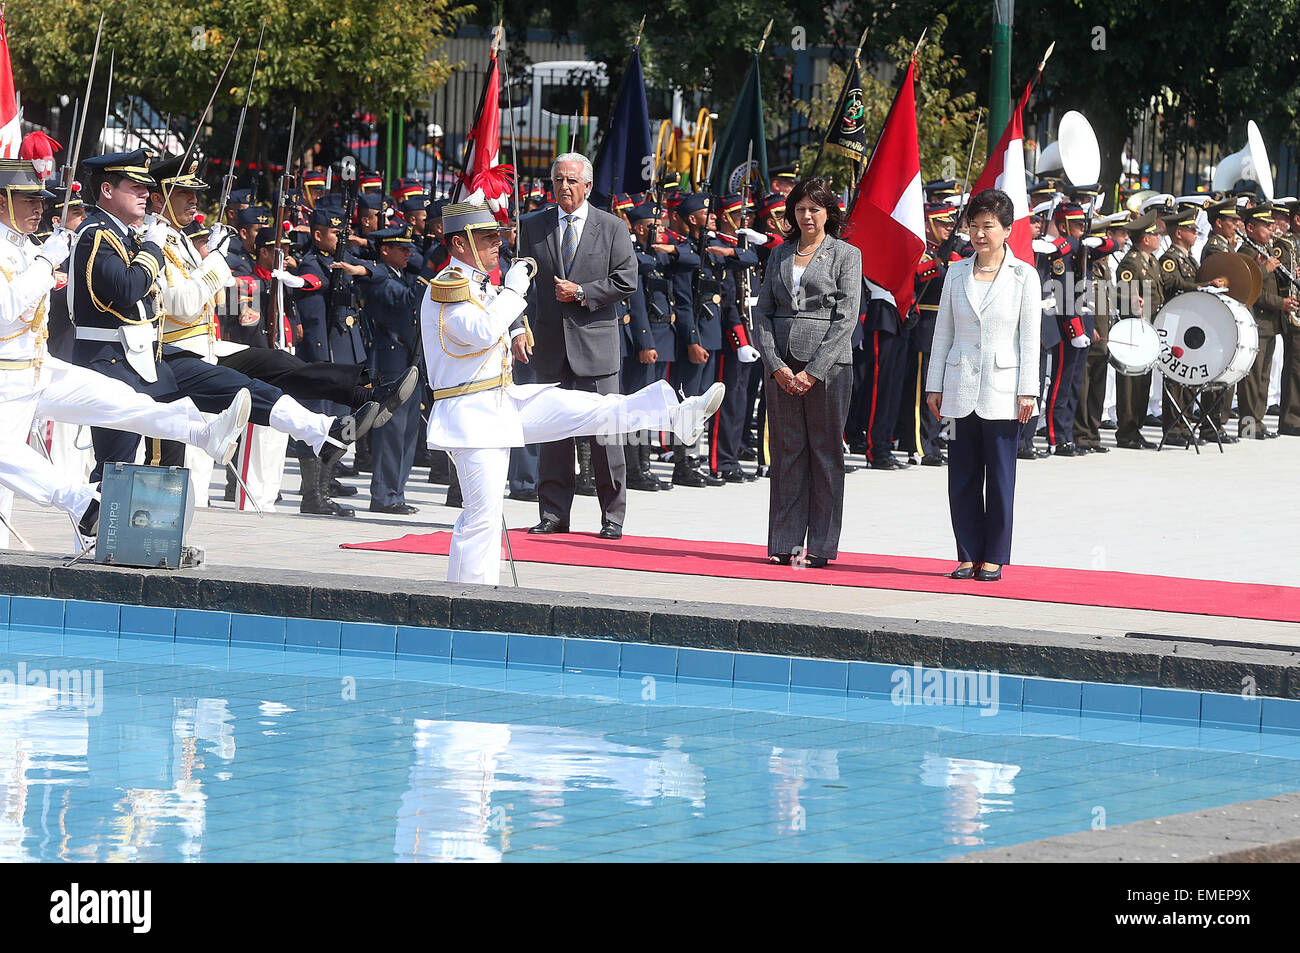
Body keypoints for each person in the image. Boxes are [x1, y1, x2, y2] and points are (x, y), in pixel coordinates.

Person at [423, 201, 723, 584]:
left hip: (501, 400)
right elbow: (480, 331)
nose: (496, 244)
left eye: (496, 237)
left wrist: (514, 320)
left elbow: (493, 323)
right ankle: (467, 596)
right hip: (472, 416)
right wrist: (515, 291)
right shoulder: (448, 287)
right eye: (485, 238)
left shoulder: (480, 284)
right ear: (459, 244)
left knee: (593, 408)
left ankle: (676, 413)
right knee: (482, 516)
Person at [0, 156, 249, 552]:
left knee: (119, 401)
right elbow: (5, 306)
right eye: (27, 199)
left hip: (36, 369)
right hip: (5, 381)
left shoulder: (26, 246)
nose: (39, 207)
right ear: (1, 202)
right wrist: (47, 260)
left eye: (39, 199)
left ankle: (203, 432)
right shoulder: (30, 250)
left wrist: (43, 257)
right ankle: (83, 504)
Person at [513, 153, 640, 539]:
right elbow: (517, 285)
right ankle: (553, 514)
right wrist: (518, 327)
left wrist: (583, 292)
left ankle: (612, 517)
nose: (564, 187)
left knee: (606, 438)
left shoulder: (612, 227)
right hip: (549, 348)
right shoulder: (532, 226)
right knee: (553, 437)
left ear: (587, 186)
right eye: (557, 180)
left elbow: (627, 279)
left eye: (571, 180)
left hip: (596, 348)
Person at [925, 188, 1041, 582]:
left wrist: (1028, 390)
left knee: (1001, 476)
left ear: (1007, 230)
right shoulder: (956, 271)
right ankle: (967, 552)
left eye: (988, 227)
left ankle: (994, 555)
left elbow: (1029, 338)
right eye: (973, 226)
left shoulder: (1024, 275)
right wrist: (934, 384)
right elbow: (943, 332)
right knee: (961, 475)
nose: (979, 234)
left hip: (1004, 391)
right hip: (958, 387)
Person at [752, 177, 862, 567]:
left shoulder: (846, 254)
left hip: (828, 368)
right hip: (781, 364)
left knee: (825, 453)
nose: (807, 216)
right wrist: (777, 365)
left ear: (828, 213)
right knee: (786, 453)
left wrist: (813, 371)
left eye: (815, 209)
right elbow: (762, 312)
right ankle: (784, 543)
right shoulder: (780, 254)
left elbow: (846, 318)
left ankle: (820, 546)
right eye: (800, 209)